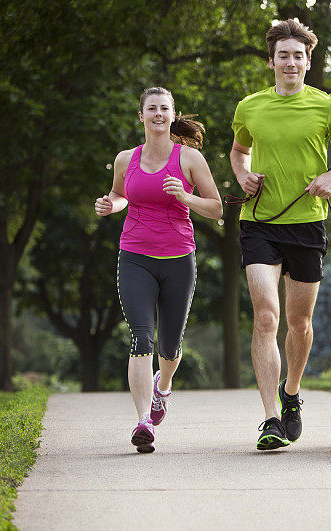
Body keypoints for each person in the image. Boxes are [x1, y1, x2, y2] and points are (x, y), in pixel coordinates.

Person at [230, 19, 331, 450]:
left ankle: (291, 394)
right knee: (266, 317)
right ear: (271, 60)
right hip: (259, 222)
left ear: (308, 62)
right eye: (283, 55)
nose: (290, 62)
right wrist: (243, 175)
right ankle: (271, 417)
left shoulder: (326, 106)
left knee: (298, 322)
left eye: (298, 55)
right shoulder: (249, 106)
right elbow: (239, 151)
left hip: (308, 222)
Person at [95, 87, 223, 453]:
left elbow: (215, 208)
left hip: (179, 259)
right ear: (141, 116)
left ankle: (162, 388)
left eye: (164, 109)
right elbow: (121, 195)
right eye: (151, 108)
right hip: (134, 255)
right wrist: (111, 205)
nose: (157, 114)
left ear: (172, 115)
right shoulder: (126, 159)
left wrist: (184, 196)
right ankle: (143, 423)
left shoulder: (190, 159)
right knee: (141, 338)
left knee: (169, 345)